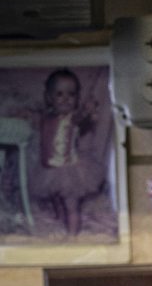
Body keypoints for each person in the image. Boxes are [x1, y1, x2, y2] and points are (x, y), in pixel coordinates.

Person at [31, 69, 108, 237]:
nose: (66, 99)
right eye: (59, 94)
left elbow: (83, 119)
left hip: (70, 169)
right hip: (50, 168)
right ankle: (60, 222)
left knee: (71, 203)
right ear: (49, 98)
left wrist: (89, 111)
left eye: (71, 94)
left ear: (77, 98)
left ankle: (73, 235)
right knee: (55, 197)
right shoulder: (47, 117)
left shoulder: (73, 117)